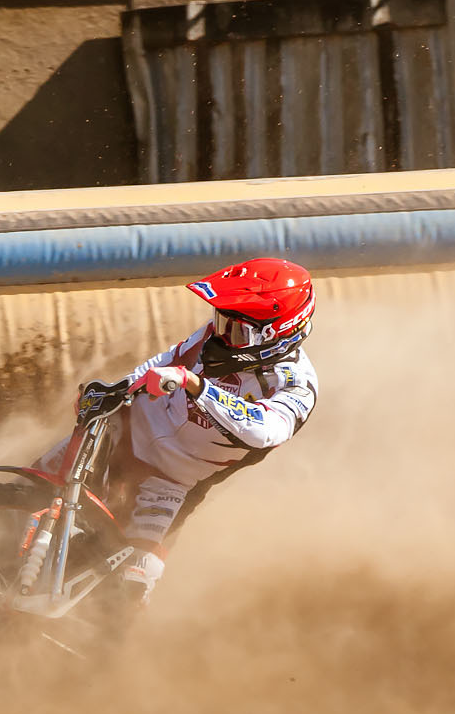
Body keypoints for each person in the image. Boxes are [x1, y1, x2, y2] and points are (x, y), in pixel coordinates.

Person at [77, 256, 320, 611]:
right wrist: (118, 389)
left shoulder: (297, 386)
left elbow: (263, 430)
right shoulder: (215, 336)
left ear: (276, 333)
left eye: (237, 330)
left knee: (132, 585)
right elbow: (169, 359)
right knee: (37, 490)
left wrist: (197, 386)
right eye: (221, 320)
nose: (221, 334)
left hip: (172, 483)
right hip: (124, 430)